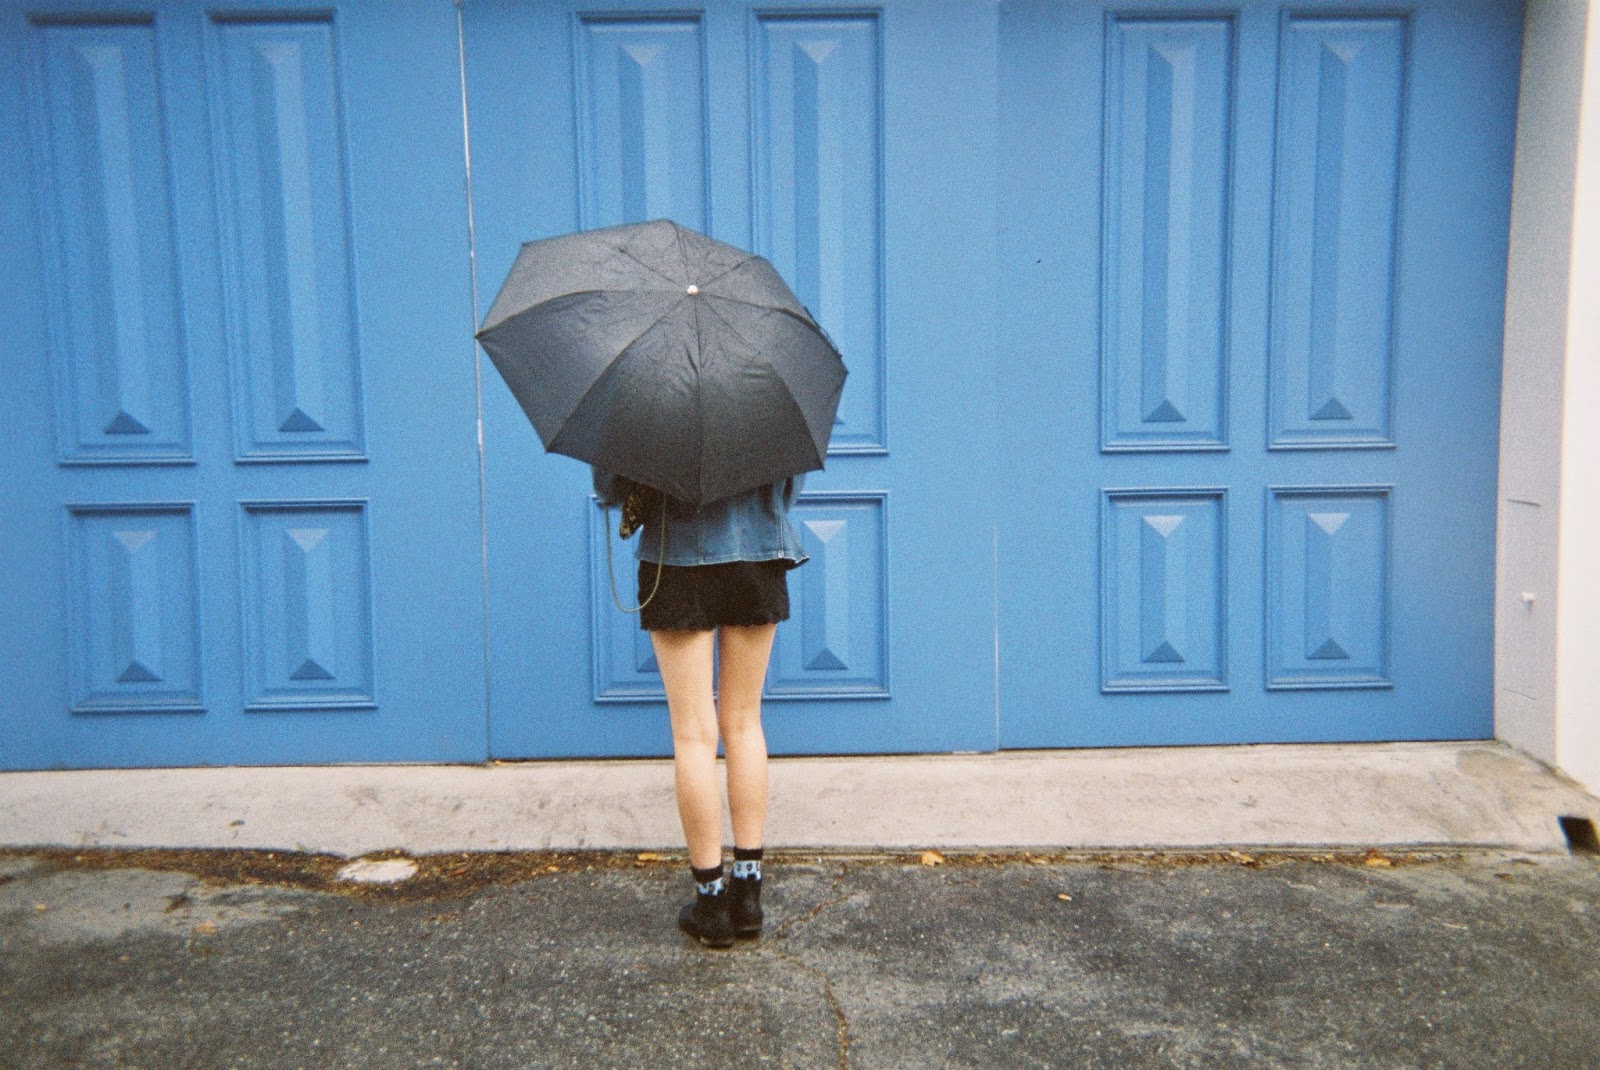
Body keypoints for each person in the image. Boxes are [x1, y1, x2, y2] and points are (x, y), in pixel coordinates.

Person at [592, 465, 809, 949]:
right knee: (744, 723)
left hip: (676, 560)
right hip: (759, 555)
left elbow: (610, 486)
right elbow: (790, 483)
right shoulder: (764, 411)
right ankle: (748, 895)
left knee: (693, 734)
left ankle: (711, 903)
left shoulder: (650, 413)